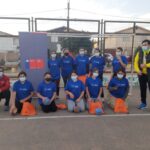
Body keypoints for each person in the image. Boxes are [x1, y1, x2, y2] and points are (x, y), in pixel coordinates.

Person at [134, 39, 150, 109]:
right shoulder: (139, 52)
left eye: (145, 45)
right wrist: (138, 70)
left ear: (149, 45)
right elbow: (135, 62)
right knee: (142, 89)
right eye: (143, 45)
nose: (144, 46)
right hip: (142, 74)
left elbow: (146, 65)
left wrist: (146, 65)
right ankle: (143, 103)